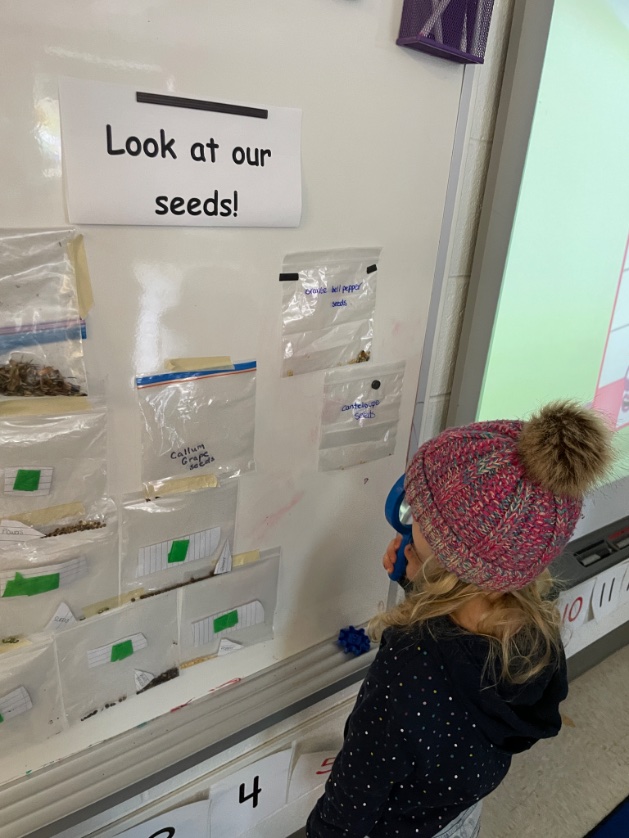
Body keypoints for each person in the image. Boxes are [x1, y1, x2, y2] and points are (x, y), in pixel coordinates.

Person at [307, 401, 613, 838]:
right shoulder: (535, 633)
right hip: (456, 817)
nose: (410, 522)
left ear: (454, 559)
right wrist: (423, 583)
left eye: (421, 518)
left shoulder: (408, 663)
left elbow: (352, 803)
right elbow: (464, 673)